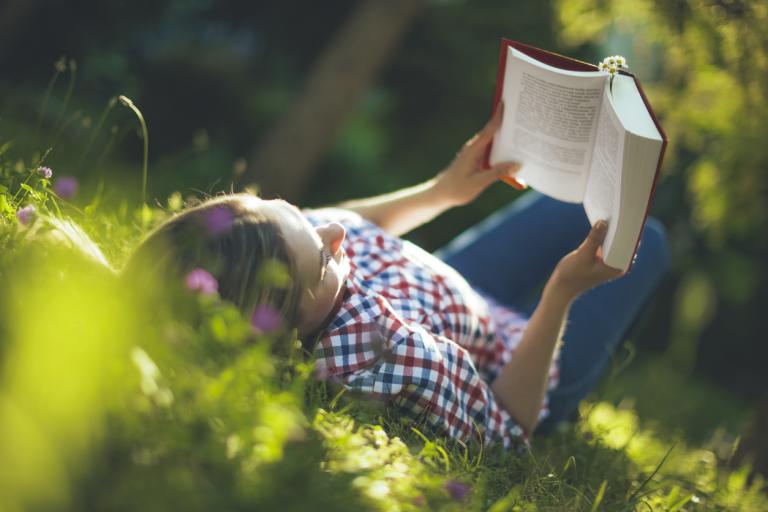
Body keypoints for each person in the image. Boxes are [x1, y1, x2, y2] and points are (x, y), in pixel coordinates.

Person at [122, 107, 670, 449]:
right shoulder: (389, 355)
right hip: (523, 363)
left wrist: (442, 191)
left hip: (452, 293)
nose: (333, 229)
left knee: (568, 208)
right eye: (320, 251)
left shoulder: (290, 267)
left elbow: (349, 226)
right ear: (285, 325)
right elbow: (508, 426)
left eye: (291, 212)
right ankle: (574, 361)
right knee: (652, 239)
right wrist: (561, 293)